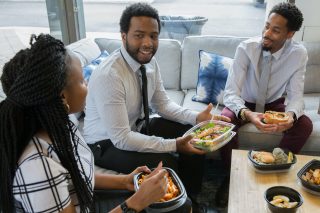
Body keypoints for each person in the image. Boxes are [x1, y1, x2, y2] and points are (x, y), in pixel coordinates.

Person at [0, 34, 171, 213]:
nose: (87, 83)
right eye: (82, 80)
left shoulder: (61, 125)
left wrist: (126, 181)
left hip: (86, 201)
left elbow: (76, 176)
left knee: (171, 204)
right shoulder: (38, 167)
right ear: (62, 96)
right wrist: (136, 202)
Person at [83, 3, 228, 212]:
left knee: (197, 137)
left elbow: (163, 104)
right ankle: (180, 206)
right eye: (139, 35)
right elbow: (122, 138)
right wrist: (175, 144)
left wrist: (198, 119)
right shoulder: (110, 76)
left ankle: (192, 199)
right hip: (105, 144)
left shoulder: (149, 62)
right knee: (167, 160)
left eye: (153, 35)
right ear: (123, 36)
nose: (148, 43)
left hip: (136, 127)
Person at [217, 2, 313, 207]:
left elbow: (296, 95)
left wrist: (291, 116)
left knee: (304, 125)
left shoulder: (299, 54)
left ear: (290, 34)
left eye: (275, 30)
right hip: (244, 101)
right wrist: (247, 114)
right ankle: (230, 174)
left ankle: (274, 167)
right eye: (266, 26)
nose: (267, 33)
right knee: (224, 122)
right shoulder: (246, 48)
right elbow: (231, 93)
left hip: (274, 105)